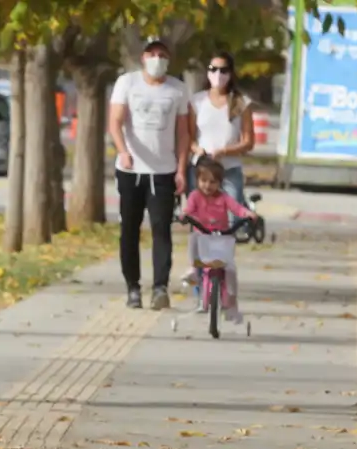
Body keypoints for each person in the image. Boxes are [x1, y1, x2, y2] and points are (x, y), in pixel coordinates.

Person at [108, 39, 190, 310]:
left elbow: (182, 132)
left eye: (162, 54)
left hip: (163, 171)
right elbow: (115, 121)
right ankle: (133, 286)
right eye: (152, 54)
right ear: (143, 57)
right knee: (129, 229)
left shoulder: (177, 90)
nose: (157, 58)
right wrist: (123, 151)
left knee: (161, 229)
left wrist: (181, 168)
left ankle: (160, 287)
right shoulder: (127, 83)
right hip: (131, 171)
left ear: (169, 59)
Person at [180, 158, 257, 324]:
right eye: (203, 181)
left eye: (212, 182)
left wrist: (247, 214)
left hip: (221, 237)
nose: (207, 185)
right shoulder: (195, 196)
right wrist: (184, 215)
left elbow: (237, 208)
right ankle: (194, 269)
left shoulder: (224, 198)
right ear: (197, 181)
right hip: (203, 237)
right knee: (193, 239)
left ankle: (230, 303)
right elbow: (189, 209)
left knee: (230, 270)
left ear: (220, 183)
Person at [187, 51, 255, 209]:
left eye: (223, 70)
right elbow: (188, 137)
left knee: (231, 219)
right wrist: (197, 149)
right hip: (201, 170)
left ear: (231, 73)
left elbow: (248, 142)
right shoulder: (197, 101)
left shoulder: (240, 102)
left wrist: (224, 151)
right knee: (200, 217)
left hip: (229, 170)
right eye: (213, 69)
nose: (218, 74)